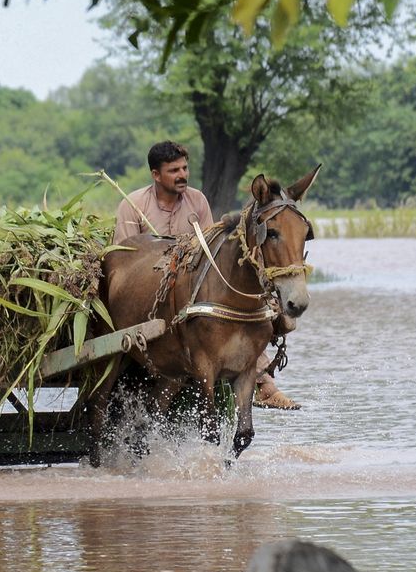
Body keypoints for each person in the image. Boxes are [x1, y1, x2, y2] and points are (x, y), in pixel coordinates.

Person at [113, 141, 300, 409]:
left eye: (185, 168)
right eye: (174, 170)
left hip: (190, 279)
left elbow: (210, 246)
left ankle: (263, 382)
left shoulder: (197, 199)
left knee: (246, 308)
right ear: (156, 174)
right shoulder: (132, 204)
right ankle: (263, 385)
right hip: (150, 284)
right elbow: (128, 256)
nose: (182, 175)